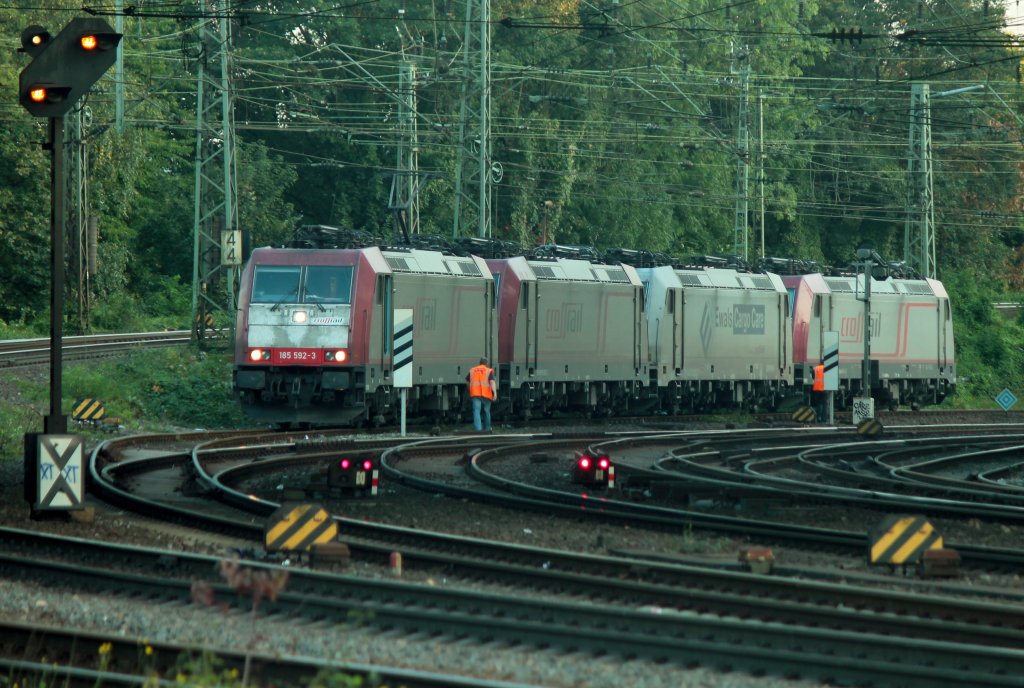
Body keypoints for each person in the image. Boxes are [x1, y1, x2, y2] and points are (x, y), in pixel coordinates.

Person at [467, 357, 496, 432]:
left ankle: (478, 430)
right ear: (486, 364)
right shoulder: (488, 370)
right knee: (486, 411)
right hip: (486, 394)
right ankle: (487, 429)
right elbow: (492, 382)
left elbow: (467, 381)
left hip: (475, 394)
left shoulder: (473, 370)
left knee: (476, 411)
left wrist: (470, 389)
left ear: (479, 363)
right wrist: (495, 393)